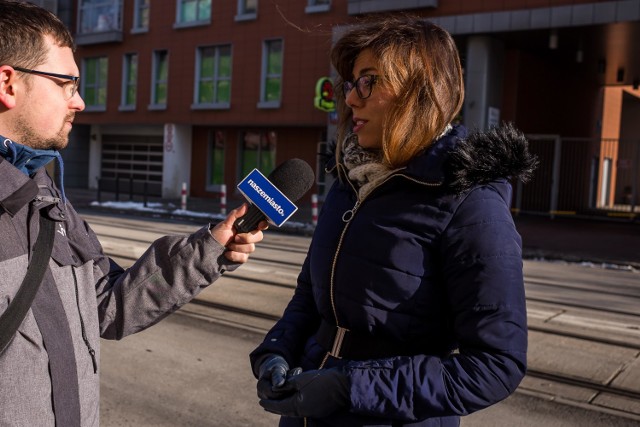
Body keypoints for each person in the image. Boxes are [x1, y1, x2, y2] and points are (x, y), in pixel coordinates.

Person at [250, 15, 538, 427]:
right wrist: (275, 353)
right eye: (350, 83)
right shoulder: (351, 180)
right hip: (306, 410)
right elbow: (309, 296)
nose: (351, 99)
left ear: (423, 90)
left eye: (369, 80)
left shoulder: (470, 204)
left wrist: (349, 387)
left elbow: (496, 365)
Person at [0, 2, 266, 426]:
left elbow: (107, 304)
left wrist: (209, 246)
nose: (80, 102)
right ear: (8, 83)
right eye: (66, 84)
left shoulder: (44, 192)